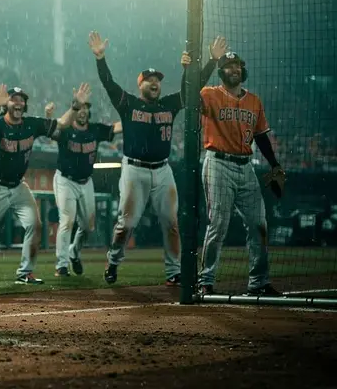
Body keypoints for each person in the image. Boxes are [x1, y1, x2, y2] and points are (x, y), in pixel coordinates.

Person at [88, 31, 225, 286]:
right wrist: (100, 59)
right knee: (126, 224)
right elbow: (109, 83)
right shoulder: (128, 104)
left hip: (163, 171)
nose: (154, 83)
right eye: (149, 80)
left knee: (172, 223)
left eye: (157, 80)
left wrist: (211, 62)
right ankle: (113, 261)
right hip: (134, 170)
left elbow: (192, 89)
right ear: (139, 85)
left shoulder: (169, 105)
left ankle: (174, 271)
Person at [0, 83, 91, 284]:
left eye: (22, 100)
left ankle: (25, 272)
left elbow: (62, 124)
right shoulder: (0, 124)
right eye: (14, 99)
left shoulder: (32, 124)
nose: (19, 102)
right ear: (7, 103)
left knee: (35, 225)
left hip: (18, 186)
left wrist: (74, 107)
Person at [184, 50, 284, 296]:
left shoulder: (254, 101)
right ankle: (205, 280)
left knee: (259, 223)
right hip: (218, 162)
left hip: (246, 166)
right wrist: (191, 69)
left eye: (237, 65)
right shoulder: (209, 94)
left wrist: (274, 164)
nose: (235, 69)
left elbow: (260, 136)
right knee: (218, 223)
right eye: (228, 65)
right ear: (221, 72)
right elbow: (188, 97)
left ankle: (258, 282)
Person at [48, 98, 122, 277]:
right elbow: (52, 132)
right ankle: (62, 265)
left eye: (86, 108)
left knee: (88, 227)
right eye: (79, 107)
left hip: (86, 181)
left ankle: (74, 252)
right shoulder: (66, 130)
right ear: (73, 110)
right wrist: (48, 116)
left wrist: (133, 116)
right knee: (66, 221)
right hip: (65, 180)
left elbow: (116, 128)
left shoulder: (95, 129)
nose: (82, 111)